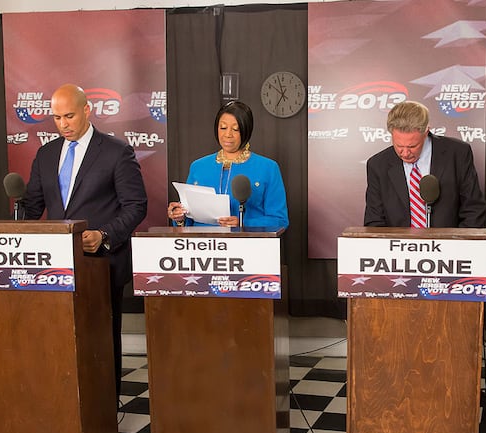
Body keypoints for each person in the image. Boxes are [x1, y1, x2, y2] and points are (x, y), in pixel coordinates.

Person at [22, 83, 148, 400]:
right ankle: (64, 402)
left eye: (69, 116)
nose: (63, 124)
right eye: (56, 118)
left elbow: (136, 206)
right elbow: (33, 207)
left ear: (87, 110)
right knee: (58, 337)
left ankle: (105, 408)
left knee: (101, 338)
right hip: (54, 267)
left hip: (101, 264)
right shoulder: (46, 153)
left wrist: (104, 235)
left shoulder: (117, 151)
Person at [363, 100, 486, 228]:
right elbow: (374, 220)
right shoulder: (377, 165)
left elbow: (473, 209)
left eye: (412, 146)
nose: (405, 153)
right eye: (399, 146)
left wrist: (458, 245)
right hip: (397, 246)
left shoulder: (457, 154)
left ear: (426, 132)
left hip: (450, 244)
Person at [168, 101, 288, 229]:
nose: (228, 135)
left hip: (249, 246)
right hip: (203, 246)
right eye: (223, 128)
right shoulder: (198, 167)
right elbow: (188, 221)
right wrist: (179, 217)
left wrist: (243, 223)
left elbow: (279, 221)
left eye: (235, 129)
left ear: (246, 130)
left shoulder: (267, 168)